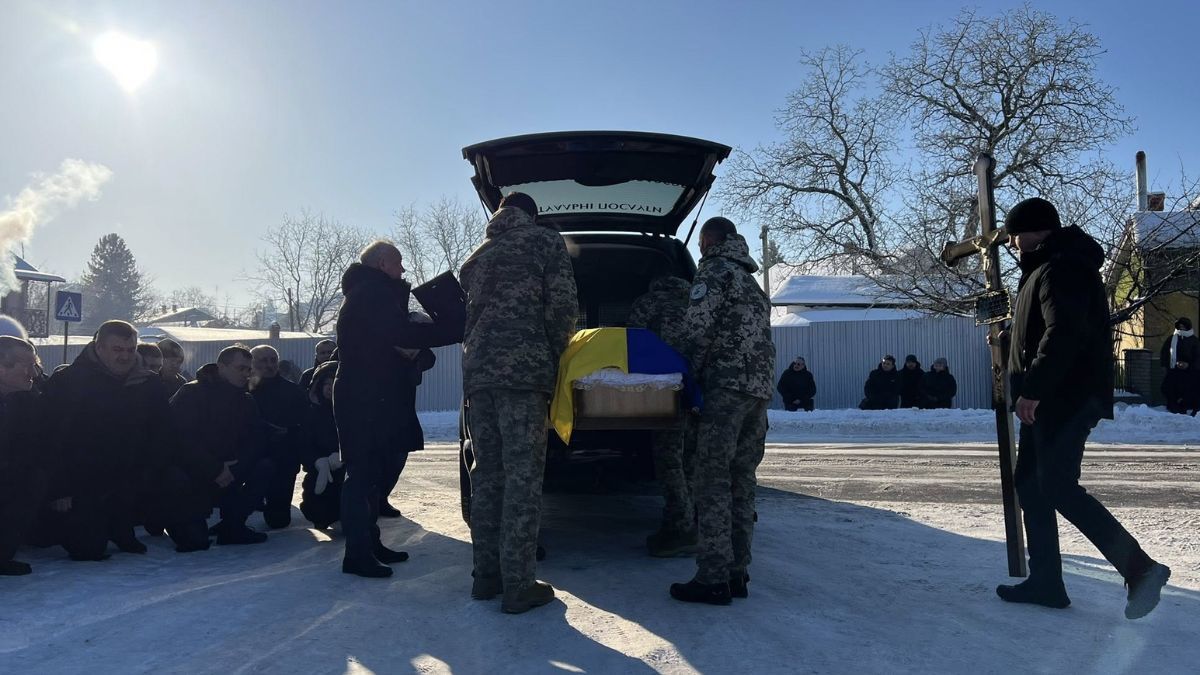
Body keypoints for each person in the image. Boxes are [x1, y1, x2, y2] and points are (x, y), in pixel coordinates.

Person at [996, 196, 1170, 620]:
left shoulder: (1063, 266)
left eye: (1016, 234)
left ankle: (1141, 569)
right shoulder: (1044, 268)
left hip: (1063, 398)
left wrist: (1033, 389)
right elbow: (1039, 333)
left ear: (1037, 231)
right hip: (1046, 399)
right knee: (1031, 485)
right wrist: (1006, 343)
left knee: (1055, 485)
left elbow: (1065, 332)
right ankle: (1047, 582)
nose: (1013, 242)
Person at [460, 192, 578, 613]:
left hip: (479, 375)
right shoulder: (545, 242)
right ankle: (519, 583)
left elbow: (468, 319)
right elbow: (562, 308)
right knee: (523, 477)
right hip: (523, 375)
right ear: (533, 214)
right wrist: (557, 357)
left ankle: (485, 576)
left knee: (488, 474)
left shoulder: (478, 255)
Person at [334, 240, 463, 579]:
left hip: (373, 396)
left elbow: (398, 342)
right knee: (361, 475)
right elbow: (400, 333)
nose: (403, 270)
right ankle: (357, 554)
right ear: (381, 264)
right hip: (364, 398)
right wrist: (453, 328)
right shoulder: (370, 294)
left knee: (373, 475)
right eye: (398, 262)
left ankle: (368, 543)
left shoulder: (374, 294)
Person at [670, 216, 774, 606]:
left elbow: (697, 330)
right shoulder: (750, 282)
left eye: (701, 241)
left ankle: (712, 577)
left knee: (711, 480)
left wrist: (680, 381)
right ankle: (736, 572)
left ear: (710, 239)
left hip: (725, 390)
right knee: (741, 480)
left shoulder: (714, 272)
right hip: (757, 393)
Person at [38, 321, 176, 560]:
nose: (125, 356)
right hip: (81, 479)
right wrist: (59, 488)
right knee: (87, 550)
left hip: (129, 474)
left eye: (130, 349)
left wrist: (152, 471)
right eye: (117, 349)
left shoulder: (149, 383)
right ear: (99, 347)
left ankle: (121, 527)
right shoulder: (68, 381)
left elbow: (162, 431)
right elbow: (50, 436)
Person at [170, 345, 272, 546]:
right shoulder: (191, 393)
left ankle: (233, 525)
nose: (245, 374)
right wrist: (214, 468)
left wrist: (235, 467)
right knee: (194, 543)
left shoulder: (246, 400)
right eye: (239, 368)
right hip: (195, 473)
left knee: (265, 467)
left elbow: (255, 439)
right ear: (221, 367)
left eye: (248, 369)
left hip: (231, 472)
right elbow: (181, 439)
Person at [627, 273, 698, 556]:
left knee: (671, 463)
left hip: (663, 391)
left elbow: (633, 340)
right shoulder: (697, 300)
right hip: (697, 389)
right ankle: (695, 518)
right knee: (692, 459)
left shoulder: (648, 302)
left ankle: (680, 528)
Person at [0, 336, 48, 575]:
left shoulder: (30, 401)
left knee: (32, 480)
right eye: (27, 365)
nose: (34, 372)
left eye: (35, 364)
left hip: (11, 476)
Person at [249, 344, 309, 529]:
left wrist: (289, 432)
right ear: (252, 363)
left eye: (272, 360)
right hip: (251, 454)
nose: (269, 365)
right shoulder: (244, 390)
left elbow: (306, 424)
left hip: (284, 457)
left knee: (279, 522)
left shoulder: (293, 391)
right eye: (263, 360)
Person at [299, 361, 344, 529]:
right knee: (318, 511)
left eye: (334, 383)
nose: (330, 387)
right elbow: (304, 444)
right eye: (326, 383)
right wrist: (317, 461)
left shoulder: (352, 413)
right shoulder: (311, 414)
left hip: (347, 471)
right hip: (319, 471)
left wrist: (341, 455)